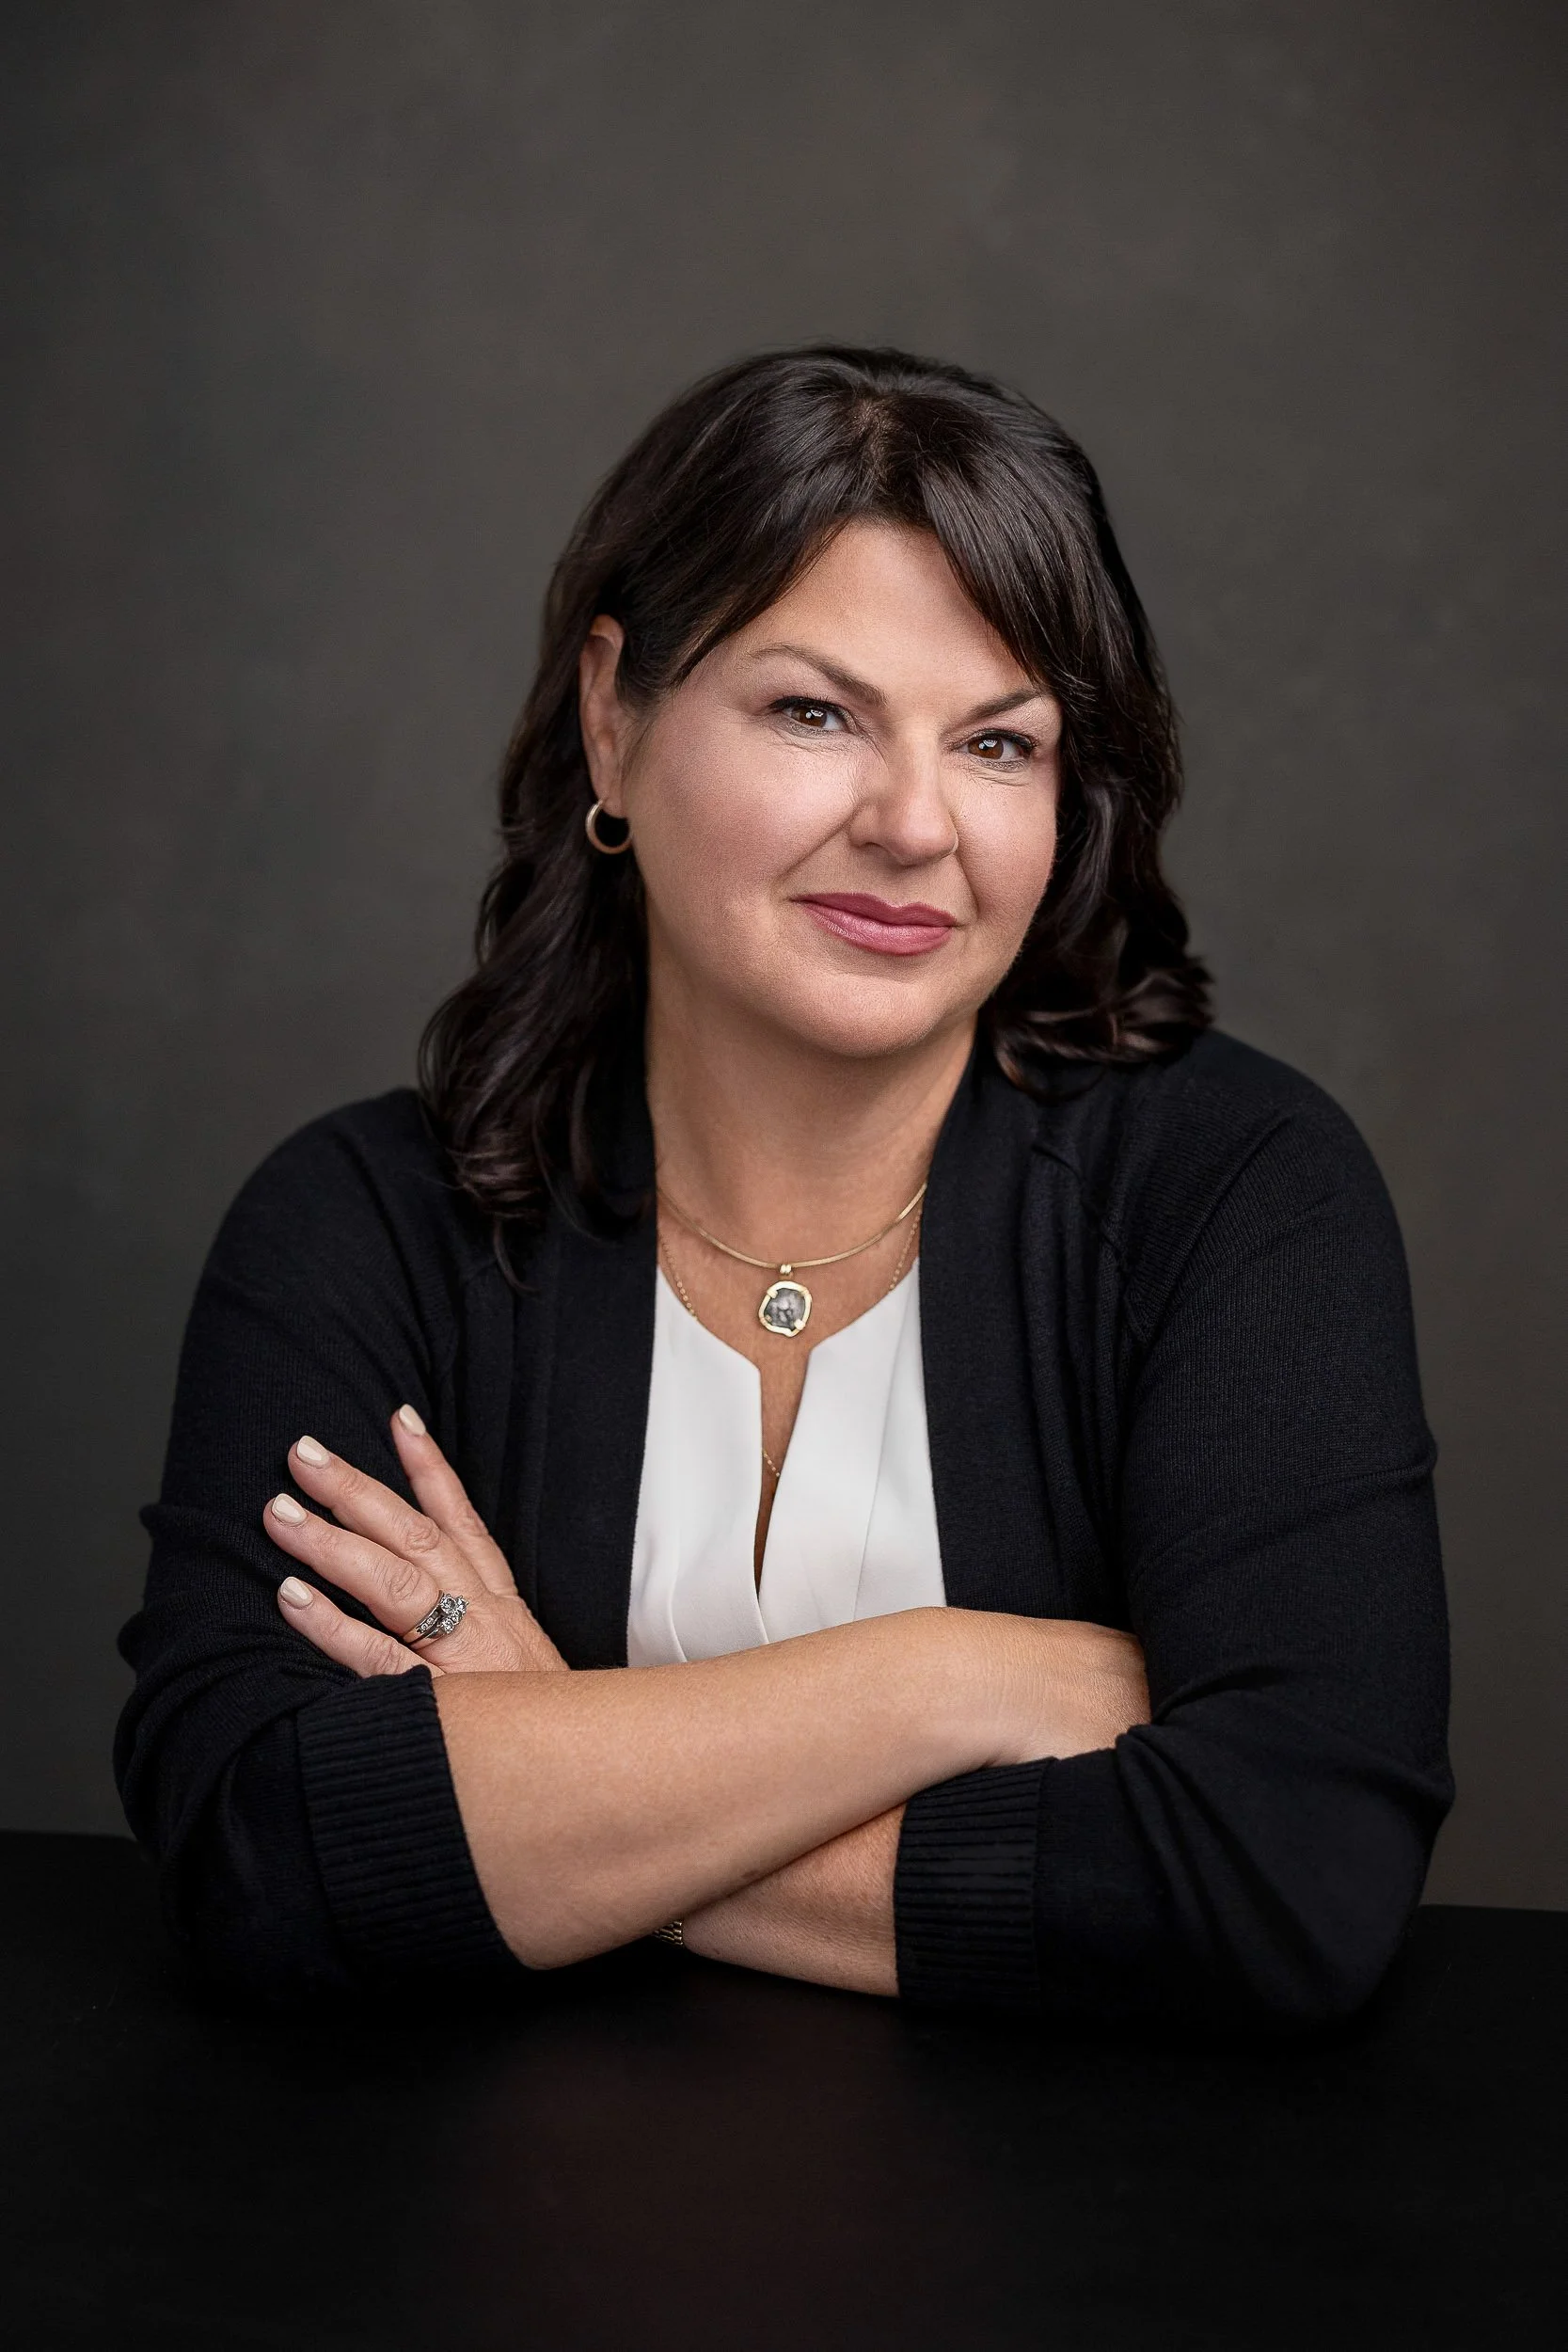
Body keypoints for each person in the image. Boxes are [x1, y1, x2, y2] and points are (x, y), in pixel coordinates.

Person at [115, 346, 1451, 2026]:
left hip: (1082, 2266)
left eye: (997, 742)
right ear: (614, 718)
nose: (912, 823)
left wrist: (553, 1757)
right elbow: (255, 1845)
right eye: (814, 712)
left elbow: (1286, 1879)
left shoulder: (1236, 1191)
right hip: (479, 2262)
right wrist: (950, 1680)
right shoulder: (364, 1220)